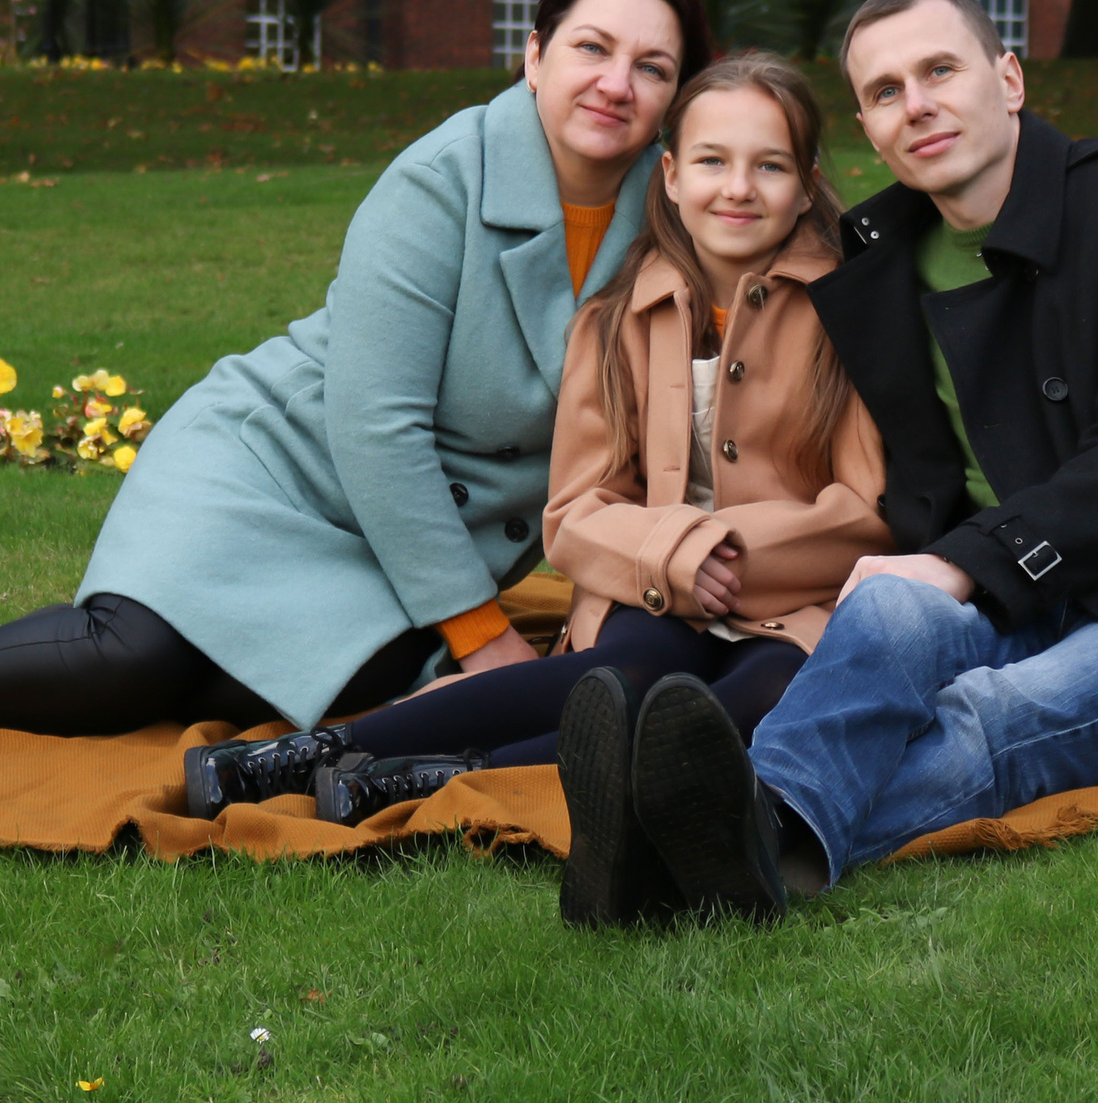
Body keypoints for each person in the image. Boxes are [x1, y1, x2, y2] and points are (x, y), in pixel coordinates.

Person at [0, 0, 711, 782]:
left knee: (258, 688)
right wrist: (485, 641)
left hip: (402, 542)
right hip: (275, 467)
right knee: (134, 664)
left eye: (652, 67)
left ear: (673, 99)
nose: (616, 84)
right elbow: (374, 426)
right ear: (534, 55)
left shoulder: (671, 216)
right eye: (591, 48)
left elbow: (657, 423)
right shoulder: (439, 180)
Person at [554, 0, 1098, 923]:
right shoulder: (880, 257)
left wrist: (962, 565)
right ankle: (730, 847)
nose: (916, 105)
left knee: (996, 711)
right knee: (883, 621)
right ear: (870, 132)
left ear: (1009, 78)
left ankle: (712, 854)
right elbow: (914, 477)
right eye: (883, 92)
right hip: (1022, 585)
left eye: (939, 70)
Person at [179, 55, 892, 855]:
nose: (738, 187)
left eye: (769, 166)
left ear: (805, 185)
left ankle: (433, 776)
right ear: (669, 175)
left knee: (733, 714)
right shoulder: (616, 319)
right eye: (712, 162)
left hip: (791, 606)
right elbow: (575, 514)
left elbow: (870, 512)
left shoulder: (852, 313)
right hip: (648, 588)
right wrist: (671, 554)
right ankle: (310, 755)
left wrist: (725, 552)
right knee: (619, 681)